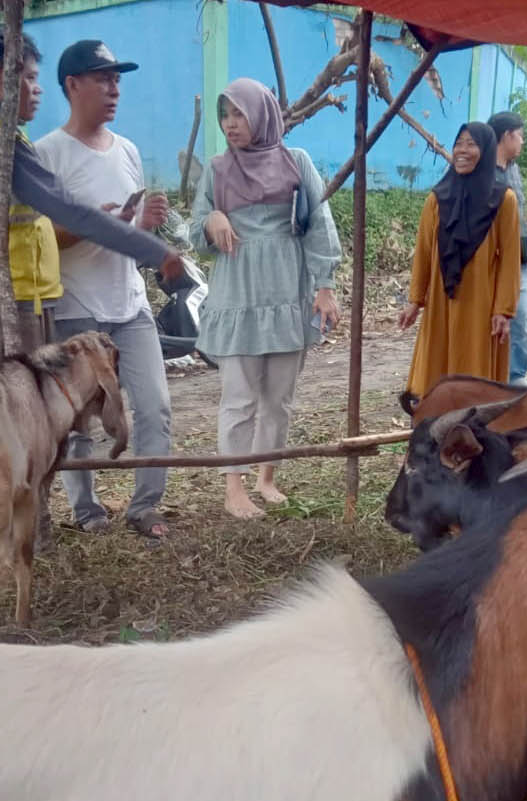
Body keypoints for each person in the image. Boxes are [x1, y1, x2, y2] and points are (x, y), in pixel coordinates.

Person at [0, 30, 184, 368]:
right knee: (26, 413)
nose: (38, 89)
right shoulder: (4, 141)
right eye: (31, 78)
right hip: (15, 300)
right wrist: (156, 251)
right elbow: (71, 212)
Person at [34, 39, 173, 541]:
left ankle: (145, 506)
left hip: (130, 304)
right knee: (78, 422)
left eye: (117, 79)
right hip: (76, 307)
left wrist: (142, 225)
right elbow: (42, 236)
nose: (114, 89)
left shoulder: (128, 150)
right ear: (72, 86)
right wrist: (97, 224)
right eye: (103, 78)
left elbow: (128, 239)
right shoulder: (47, 154)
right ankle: (86, 509)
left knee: (154, 405)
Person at [191, 77, 342, 520]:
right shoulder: (217, 171)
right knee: (238, 397)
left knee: (279, 397)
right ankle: (234, 487)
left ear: (262, 115)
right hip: (238, 294)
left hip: (286, 291)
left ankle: (266, 477)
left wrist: (325, 285)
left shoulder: (296, 162)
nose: (230, 124)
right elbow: (194, 230)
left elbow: (319, 223)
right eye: (225, 114)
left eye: (238, 113)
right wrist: (211, 220)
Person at [398, 121, 521, 400]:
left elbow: (510, 260)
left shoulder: (504, 199)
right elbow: (425, 252)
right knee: (435, 369)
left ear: (487, 150)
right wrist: (415, 300)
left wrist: (503, 310)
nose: (462, 150)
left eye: (471, 144)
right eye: (459, 143)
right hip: (442, 301)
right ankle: (432, 421)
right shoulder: (437, 199)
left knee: (473, 367)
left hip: (480, 302)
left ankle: (472, 425)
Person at [488, 110, 527, 383]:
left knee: (520, 319)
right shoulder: (481, 172)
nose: (522, 142)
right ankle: (492, 377)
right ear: (507, 136)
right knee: (493, 319)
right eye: (520, 136)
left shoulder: (514, 169)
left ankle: (516, 378)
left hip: (518, 261)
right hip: (492, 262)